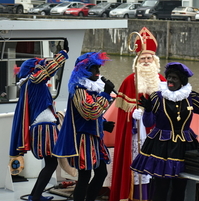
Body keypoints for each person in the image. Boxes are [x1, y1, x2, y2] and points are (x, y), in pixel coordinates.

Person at [130, 62, 199, 201]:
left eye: (174, 78)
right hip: (161, 147)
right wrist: (148, 110)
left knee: (180, 187)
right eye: (169, 77)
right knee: (161, 187)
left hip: (184, 146)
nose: (170, 80)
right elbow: (148, 123)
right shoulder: (157, 97)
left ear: (181, 80)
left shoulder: (192, 98)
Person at [109, 27, 166, 201]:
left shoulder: (162, 81)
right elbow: (122, 111)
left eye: (149, 58)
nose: (147, 61)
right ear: (137, 61)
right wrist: (133, 114)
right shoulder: (128, 81)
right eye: (143, 58)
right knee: (137, 168)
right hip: (137, 133)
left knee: (156, 168)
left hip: (156, 133)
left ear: (154, 60)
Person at [9, 40, 69, 201]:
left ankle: (35, 195)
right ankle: (35, 197)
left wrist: (55, 57)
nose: (42, 66)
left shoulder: (30, 84)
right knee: (51, 163)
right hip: (44, 127)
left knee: (50, 163)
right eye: (39, 66)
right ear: (33, 70)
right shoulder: (34, 81)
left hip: (42, 126)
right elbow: (49, 70)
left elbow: (48, 69)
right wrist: (62, 55)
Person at [52, 52, 115, 201]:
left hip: (94, 137)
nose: (98, 72)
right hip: (83, 139)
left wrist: (103, 124)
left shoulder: (91, 88)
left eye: (98, 68)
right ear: (84, 70)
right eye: (94, 69)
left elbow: (93, 115)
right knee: (85, 176)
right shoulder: (79, 89)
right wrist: (106, 94)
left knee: (101, 173)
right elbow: (90, 112)